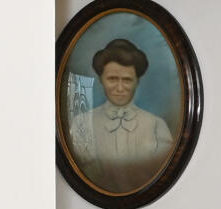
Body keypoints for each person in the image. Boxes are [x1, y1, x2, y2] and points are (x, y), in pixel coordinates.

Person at [67, 36, 175, 191]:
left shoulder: (156, 125)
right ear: (100, 79)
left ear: (137, 81)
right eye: (112, 79)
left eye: (127, 80)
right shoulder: (82, 123)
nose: (119, 88)